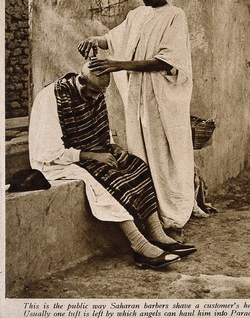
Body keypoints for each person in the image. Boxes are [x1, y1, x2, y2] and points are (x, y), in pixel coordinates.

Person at [29, 61, 197, 269]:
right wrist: (90, 155)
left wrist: (112, 146)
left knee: (137, 167)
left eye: (100, 93)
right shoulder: (51, 98)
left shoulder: (95, 91)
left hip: (93, 152)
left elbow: (100, 128)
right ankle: (140, 246)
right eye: (93, 92)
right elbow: (48, 150)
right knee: (110, 179)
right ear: (80, 81)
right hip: (60, 160)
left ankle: (156, 234)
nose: (96, 98)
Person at [77, 0, 195, 243]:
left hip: (163, 99)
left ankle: (174, 215)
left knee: (166, 154)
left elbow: (164, 61)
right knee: (141, 153)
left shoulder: (174, 16)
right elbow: (114, 38)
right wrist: (96, 40)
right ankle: (150, 214)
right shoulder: (137, 15)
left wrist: (119, 65)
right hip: (139, 98)